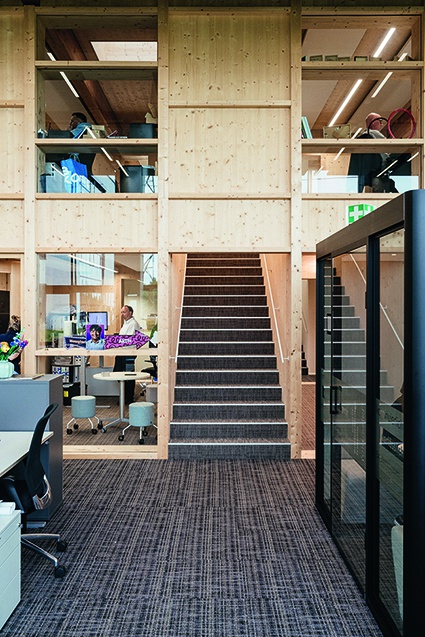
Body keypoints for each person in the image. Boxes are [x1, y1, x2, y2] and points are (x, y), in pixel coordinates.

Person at [348, 112, 397, 193]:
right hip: (376, 172)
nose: (382, 125)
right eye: (380, 122)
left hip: (365, 174)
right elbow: (390, 148)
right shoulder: (374, 133)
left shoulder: (362, 138)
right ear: (373, 122)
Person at [113, 305, 141, 404]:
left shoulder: (133, 324)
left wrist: (119, 341)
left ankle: (129, 398)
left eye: (124, 312)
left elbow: (130, 340)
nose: (122, 314)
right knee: (119, 373)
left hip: (128, 353)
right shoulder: (125, 324)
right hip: (121, 353)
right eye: (121, 312)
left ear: (130, 313)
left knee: (129, 376)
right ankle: (124, 396)